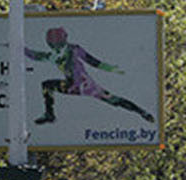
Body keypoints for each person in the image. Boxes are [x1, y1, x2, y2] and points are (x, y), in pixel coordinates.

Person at [26, 27, 154, 125]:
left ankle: (141, 111)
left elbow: (93, 61)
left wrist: (110, 68)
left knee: (114, 100)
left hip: (85, 85)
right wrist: (19, 48)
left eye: (58, 45)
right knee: (47, 85)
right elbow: (35, 55)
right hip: (73, 86)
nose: (56, 48)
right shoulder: (53, 56)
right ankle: (49, 114)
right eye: (54, 46)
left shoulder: (74, 50)